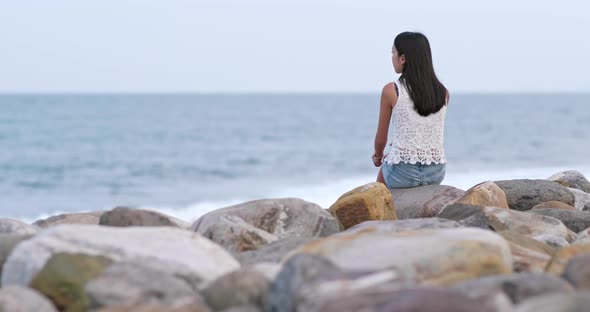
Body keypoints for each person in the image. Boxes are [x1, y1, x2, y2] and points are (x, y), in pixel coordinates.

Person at [373, 32, 449, 189]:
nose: (392, 57)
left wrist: (378, 155)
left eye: (393, 52)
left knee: (380, 181)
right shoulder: (443, 93)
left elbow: (381, 139)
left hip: (402, 174)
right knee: (395, 154)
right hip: (436, 172)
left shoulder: (392, 90)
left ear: (402, 58)